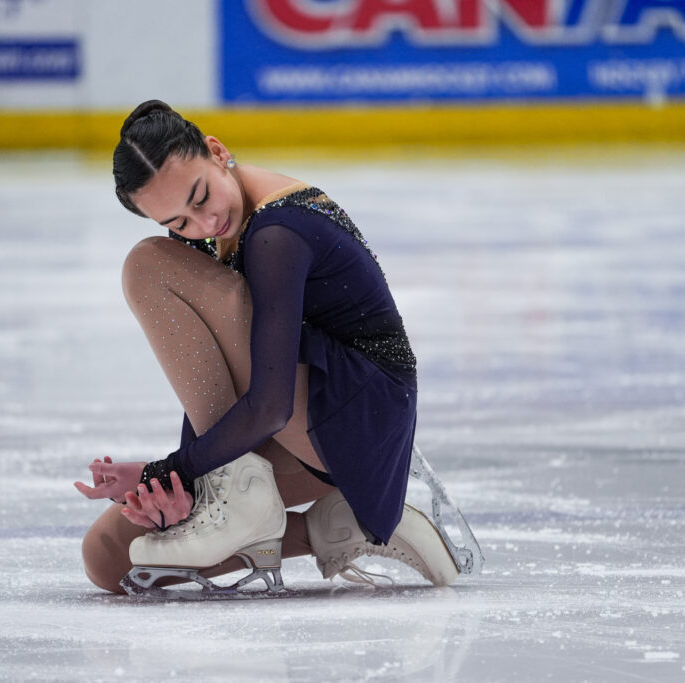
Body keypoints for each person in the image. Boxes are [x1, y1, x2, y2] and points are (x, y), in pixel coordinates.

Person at [74, 100, 458, 594]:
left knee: (147, 266)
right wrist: (175, 493)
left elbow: (270, 404)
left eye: (200, 197)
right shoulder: (221, 229)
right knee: (110, 560)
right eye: (178, 222)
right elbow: (222, 373)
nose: (203, 223)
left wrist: (172, 470)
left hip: (356, 413)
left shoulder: (277, 232)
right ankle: (341, 527)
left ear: (217, 151)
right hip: (302, 423)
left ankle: (238, 493)